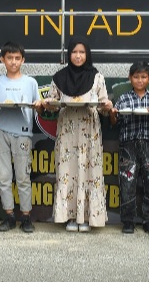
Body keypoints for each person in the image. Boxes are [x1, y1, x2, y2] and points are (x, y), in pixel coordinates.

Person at [43, 37, 112, 232]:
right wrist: (48, 104)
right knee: (68, 172)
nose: (78, 56)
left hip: (89, 132)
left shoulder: (97, 76)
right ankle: (71, 217)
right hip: (67, 132)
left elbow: (104, 104)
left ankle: (87, 218)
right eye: (74, 52)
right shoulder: (59, 77)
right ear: (69, 54)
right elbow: (52, 103)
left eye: (82, 52)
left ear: (87, 54)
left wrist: (107, 106)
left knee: (89, 172)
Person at [0, 41, 41, 233]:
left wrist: (39, 105)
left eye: (17, 58)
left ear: (23, 60)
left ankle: (26, 216)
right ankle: (9, 215)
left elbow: (36, 105)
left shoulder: (31, 82)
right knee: (4, 175)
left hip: (23, 132)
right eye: (9, 58)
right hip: (1, 131)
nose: (13, 62)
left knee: (23, 176)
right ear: (2, 60)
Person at [110, 61, 149, 235]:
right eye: (136, 77)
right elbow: (115, 122)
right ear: (130, 78)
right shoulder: (124, 98)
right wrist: (113, 114)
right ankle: (128, 221)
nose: (140, 80)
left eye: (143, 77)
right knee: (127, 183)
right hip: (129, 145)